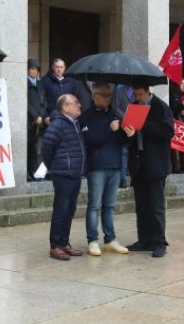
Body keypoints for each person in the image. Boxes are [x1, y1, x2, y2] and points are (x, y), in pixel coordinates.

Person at [123, 79, 174, 258]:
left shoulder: (160, 107)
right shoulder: (133, 107)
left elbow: (168, 132)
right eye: (135, 95)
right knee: (142, 205)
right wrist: (129, 133)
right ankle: (144, 239)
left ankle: (159, 242)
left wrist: (144, 123)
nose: (138, 98)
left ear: (147, 91)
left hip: (156, 163)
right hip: (139, 163)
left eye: (140, 94)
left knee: (156, 205)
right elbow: (129, 135)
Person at [79, 83, 129, 256]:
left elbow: (121, 141)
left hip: (115, 164)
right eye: (104, 95)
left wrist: (128, 134)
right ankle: (92, 240)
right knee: (94, 205)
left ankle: (110, 239)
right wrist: (109, 129)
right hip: (97, 166)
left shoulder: (114, 114)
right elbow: (90, 140)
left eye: (110, 95)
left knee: (110, 205)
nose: (108, 98)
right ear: (94, 96)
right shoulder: (86, 116)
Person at [42, 94, 86, 261]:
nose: (79, 105)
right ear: (65, 107)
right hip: (63, 174)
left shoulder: (75, 123)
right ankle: (54, 246)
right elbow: (47, 148)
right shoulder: (58, 124)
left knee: (70, 210)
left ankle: (64, 242)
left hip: (75, 173)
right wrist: (55, 166)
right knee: (61, 210)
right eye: (75, 103)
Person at [27, 59, 48, 182]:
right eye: (31, 69)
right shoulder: (25, 83)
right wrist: (35, 116)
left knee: (34, 148)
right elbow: (26, 102)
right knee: (28, 146)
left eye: (36, 69)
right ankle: (26, 173)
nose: (34, 71)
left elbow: (44, 102)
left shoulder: (40, 84)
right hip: (29, 120)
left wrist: (41, 116)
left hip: (38, 121)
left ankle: (32, 171)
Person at [113, 83, 133, 187]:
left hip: (135, 126)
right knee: (124, 152)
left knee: (134, 152)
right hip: (123, 125)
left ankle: (134, 178)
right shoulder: (119, 89)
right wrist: (126, 118)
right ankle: (122, 179)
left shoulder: (137, 89)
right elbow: (115, 107)